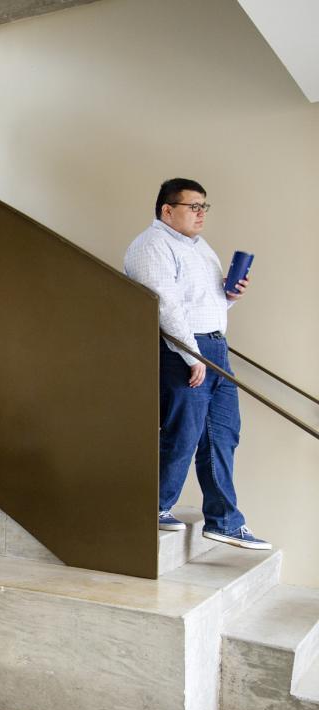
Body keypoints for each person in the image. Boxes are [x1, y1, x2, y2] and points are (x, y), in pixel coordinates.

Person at [124, 178, 269, 550]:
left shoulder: (200, 248)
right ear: (167, 210)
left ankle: (222, 520)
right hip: (184, 349)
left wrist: (230, 295)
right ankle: (152, 506)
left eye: (205, 207)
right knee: (183, 433)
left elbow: (203, 303)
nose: (201, 214)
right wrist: (193, 355)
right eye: (193, 207)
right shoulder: (152, 245)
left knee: (223, 432)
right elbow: (165, 306)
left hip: (215, 346)